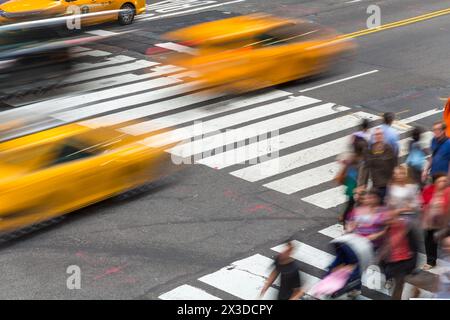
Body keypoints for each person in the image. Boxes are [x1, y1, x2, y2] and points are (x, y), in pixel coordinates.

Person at [379, 210, 420, 300]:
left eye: (391, 219)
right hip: (391, 262)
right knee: (399, 282)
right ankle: (415, 290)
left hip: (404, 262)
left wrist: (413, 265)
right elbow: (382, 247)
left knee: (398, 285)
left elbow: (415, 247)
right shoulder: (386, 230)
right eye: (387, 220)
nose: (389, 222)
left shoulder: (407, 228)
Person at [420, 173, 450, 271]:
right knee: (430, 240)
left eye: (445, 181)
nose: (443, 183)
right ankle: (431, 261)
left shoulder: (448, 191)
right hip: (431, 222)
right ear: (435, 182)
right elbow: (423, 203)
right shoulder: (429, 190)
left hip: (446, 222)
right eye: (440, 181)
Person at [361, 128, 397, 202]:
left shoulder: (388, 148)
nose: (378, 136)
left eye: (380, 134)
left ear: (383, 136)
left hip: (386, 185)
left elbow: (394, 165)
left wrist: (394, 181)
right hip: (375, 185)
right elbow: (366, 167)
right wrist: (363, 184)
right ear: (374, 136)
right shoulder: (370, 150)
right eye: (376, 134)